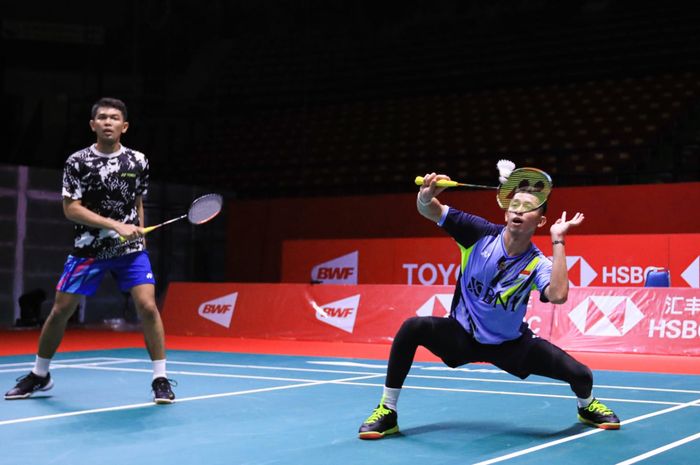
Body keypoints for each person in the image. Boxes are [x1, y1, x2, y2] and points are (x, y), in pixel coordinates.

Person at [358, 171, 620, 439]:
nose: (518, 210)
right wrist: (425, 197)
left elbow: (558, 295)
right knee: (413, 328)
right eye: (514, 205)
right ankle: (387, 410)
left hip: (510, 345)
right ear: (506, 213)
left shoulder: (537, 263)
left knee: (582, 375)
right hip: (462, 335)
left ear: (540, 221)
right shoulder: (477, 233)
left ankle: (586, 407)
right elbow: (429, 210)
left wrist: (558, 239)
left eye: (528, 207)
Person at [5, 97, 175, 404]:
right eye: (102, 117)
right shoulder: (77, 161)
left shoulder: (138, 161)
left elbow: (137, 202)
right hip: (89, 248)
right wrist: (115, 225)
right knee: (61, 310)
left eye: (114, 118)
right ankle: (39, 374)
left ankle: (160, 378)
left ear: (124, 126)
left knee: (148, 307)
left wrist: (140, 236)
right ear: (93, 125)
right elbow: (71, 209)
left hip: (130, 249)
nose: (108, 122)